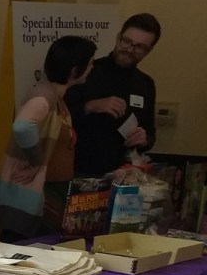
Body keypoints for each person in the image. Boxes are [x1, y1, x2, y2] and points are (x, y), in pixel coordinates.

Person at [0, 35, 97, 241]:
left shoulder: (55, 98)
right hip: (32, 195)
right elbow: (22, 126)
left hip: (47, 193)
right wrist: (35, 161)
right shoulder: (45, 96)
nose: (92, 67)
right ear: (75, 70)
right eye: (90, 63)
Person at [64, 13, 161, 176]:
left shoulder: (146, 84)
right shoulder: (88, 71)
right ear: (118, 38)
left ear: (149, 51)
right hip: (76, 171)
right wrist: (90, 106)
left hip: (121, 175)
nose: (130, 50)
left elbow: (150, 132)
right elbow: (58, 118)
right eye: (127, 42)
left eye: (139, 47)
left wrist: (145, 139)